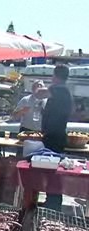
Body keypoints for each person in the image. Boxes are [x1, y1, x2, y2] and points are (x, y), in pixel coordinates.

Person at [41, 64, 73, 211]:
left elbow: (38, 94)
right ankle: (52, 201)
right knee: (51, 171)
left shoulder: (58, 89)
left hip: (54, 137)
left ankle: (53, 205)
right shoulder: (64, 91)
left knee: (53, 171)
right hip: (55, 135)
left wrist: (37, 86)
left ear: (55, 76)